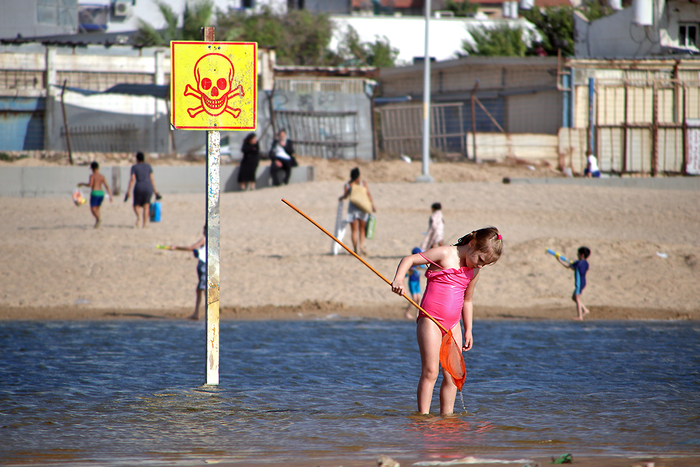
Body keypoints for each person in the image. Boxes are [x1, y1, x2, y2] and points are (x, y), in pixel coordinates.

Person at [391, 227, 503, 415]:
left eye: (485, 264)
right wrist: (399, 280)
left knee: (453, 375)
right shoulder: (444, 253)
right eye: (480, 259)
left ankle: (447, 419)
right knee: (430, 372)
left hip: (453, 325)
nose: (480, 266)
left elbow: (467, 300)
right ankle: (423, 418)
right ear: (472, 244)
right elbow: (409, 260)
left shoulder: (474, 271)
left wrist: (468, 330)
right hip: (430, 320)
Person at [170, 226, 207, 320]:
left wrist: (176, 247)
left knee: (204, 290)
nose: (203, 231)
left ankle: (207, 313)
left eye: (204, 229)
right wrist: (197, 253)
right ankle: (196, 313)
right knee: (199, 290)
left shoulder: (205, 239)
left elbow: (191, 248)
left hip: (204, 266)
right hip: (205, 265)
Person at [339, 167, 376, 256]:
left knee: (354, 230)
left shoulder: (348, 185)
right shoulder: (363, 183)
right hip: (363, 208)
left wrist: (341, 198)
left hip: (353, 209)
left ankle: (355, 249)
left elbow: (345, 196)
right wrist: (372, 205)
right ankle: (361, 246)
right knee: (362, 229)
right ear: (358, 175)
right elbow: (368, 194)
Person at [124, 151, 160, 228]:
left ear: (136, 159)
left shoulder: (134, 167)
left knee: (136, 205)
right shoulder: (148, 166)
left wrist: (128, 191)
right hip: (148, 187)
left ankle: (138, 217)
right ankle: (144, 225)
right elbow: (152, 179)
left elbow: (132, 179)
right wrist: (155, 191)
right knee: (146, 206)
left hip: (139, 186)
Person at [558, 246, 591, 320]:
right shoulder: (586, 263)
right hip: (583, 282)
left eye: (578, 253)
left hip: (579, 284)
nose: (577, 255)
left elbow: (568, 266)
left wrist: (559, 260)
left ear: (582, 254)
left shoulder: (578, 263)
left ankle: (580, 316)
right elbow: (575, 269)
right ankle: (585, 310)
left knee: (577, 298)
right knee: (574, 298)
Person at [77, 161, 112, 229]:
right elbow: (106, 186)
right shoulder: (102, 176)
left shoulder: (92, 176)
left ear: (92, 169)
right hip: (101, 193)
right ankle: (97, 222)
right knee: (97, 208)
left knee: (93, 208)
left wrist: (82, 184)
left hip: (95, 193)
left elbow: (90, 185)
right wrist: (110, 195)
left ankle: (98, 219)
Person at [404, 247, 424, 320]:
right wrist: (411, 271)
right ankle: (407, 313)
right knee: (414, 298)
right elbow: (406, 275)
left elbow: (422, 268)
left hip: (417, 283)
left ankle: (417, 314)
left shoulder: (420, 264)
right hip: (412, 282)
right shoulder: (411, 264)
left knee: (419, 299)